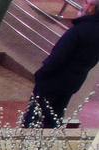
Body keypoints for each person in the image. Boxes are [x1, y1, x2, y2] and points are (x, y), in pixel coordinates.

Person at [22, 0, 99, 128]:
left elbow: (58, 57)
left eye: (86, 3)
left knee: (34, 117)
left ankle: (26, 144)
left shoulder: (78, 31)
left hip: (53, 80)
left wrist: (42, 74)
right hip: (74, 81)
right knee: (54, 116)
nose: (83, 6)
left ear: (91, 8)